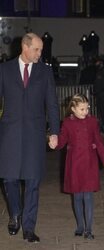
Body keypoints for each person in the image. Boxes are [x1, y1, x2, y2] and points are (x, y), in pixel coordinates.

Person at [0, 33, 60, 243]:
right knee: (9, 178)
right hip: (10, 133)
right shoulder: (4, 70)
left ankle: (29, 227)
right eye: (37, 49)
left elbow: (52, 103)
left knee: (33, 182)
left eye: (41, 49)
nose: (40, 53)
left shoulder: (45, 71)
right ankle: (15, 213)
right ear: (25, 47)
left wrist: (54, 131)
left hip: (35, 134)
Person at [49, 94, 104, 239]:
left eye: (87, 108)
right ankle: (80, 226)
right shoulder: (67, 123)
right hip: (74, 164)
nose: (85, 112)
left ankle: (89, 229)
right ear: (73, 109)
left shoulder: (93, 121)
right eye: (82, 109)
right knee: (77, 197)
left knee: (88, 197)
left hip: (89, 163)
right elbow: (62, 140)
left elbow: (99, 140)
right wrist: (54, 143)